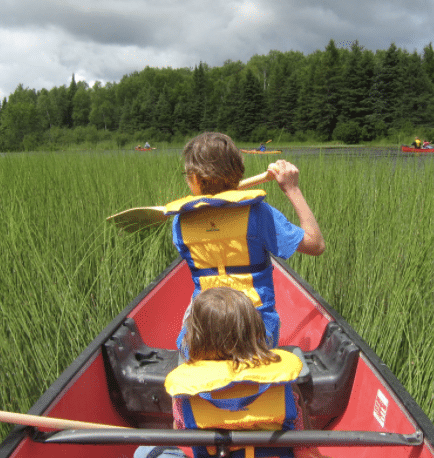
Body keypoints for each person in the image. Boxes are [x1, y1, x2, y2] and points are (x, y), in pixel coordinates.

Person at [165, 132, 325, 352]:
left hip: (203, 331)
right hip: (257, 333)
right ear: (239, 172)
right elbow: (316, 245)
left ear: (194, 179)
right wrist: (292, 189)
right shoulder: (259, 214)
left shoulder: (180, 222)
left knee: (190, 321)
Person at [132, 287, 328, 458]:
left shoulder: (184, 396)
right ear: (256, 332)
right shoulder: (287, 387)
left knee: (144, 451)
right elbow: (304, 445)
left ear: (195, 339)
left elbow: (183, 442)